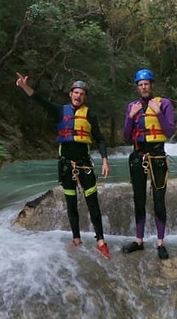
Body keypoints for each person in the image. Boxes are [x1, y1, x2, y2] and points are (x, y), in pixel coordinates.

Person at [15, 74, 112, 257]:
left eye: (82, 94)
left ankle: (100, 240)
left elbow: (99, 139)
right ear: (70, 94)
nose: (78, 96)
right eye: (76, 92)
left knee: (93, 204)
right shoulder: (60, 111)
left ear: (84, 97)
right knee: (71, 204)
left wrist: (105, 159)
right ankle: (76, 239)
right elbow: (40, 101)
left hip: (84, 166)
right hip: (67, 166)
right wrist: (24, 87)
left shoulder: (90, 115)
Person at [121, 68, 176, 259]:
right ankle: (139, 241)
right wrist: (130, 117)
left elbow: (169, 132)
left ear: (152, 85)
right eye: (140, 84)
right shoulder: (132, 107)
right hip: (138, 156)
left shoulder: (165, 104)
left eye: (146, 84)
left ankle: (160, 243)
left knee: (159, 200)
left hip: (158, 156)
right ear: (137, 87)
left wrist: (158, 113)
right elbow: (127, 137)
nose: (144, 87)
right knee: (139, 199)